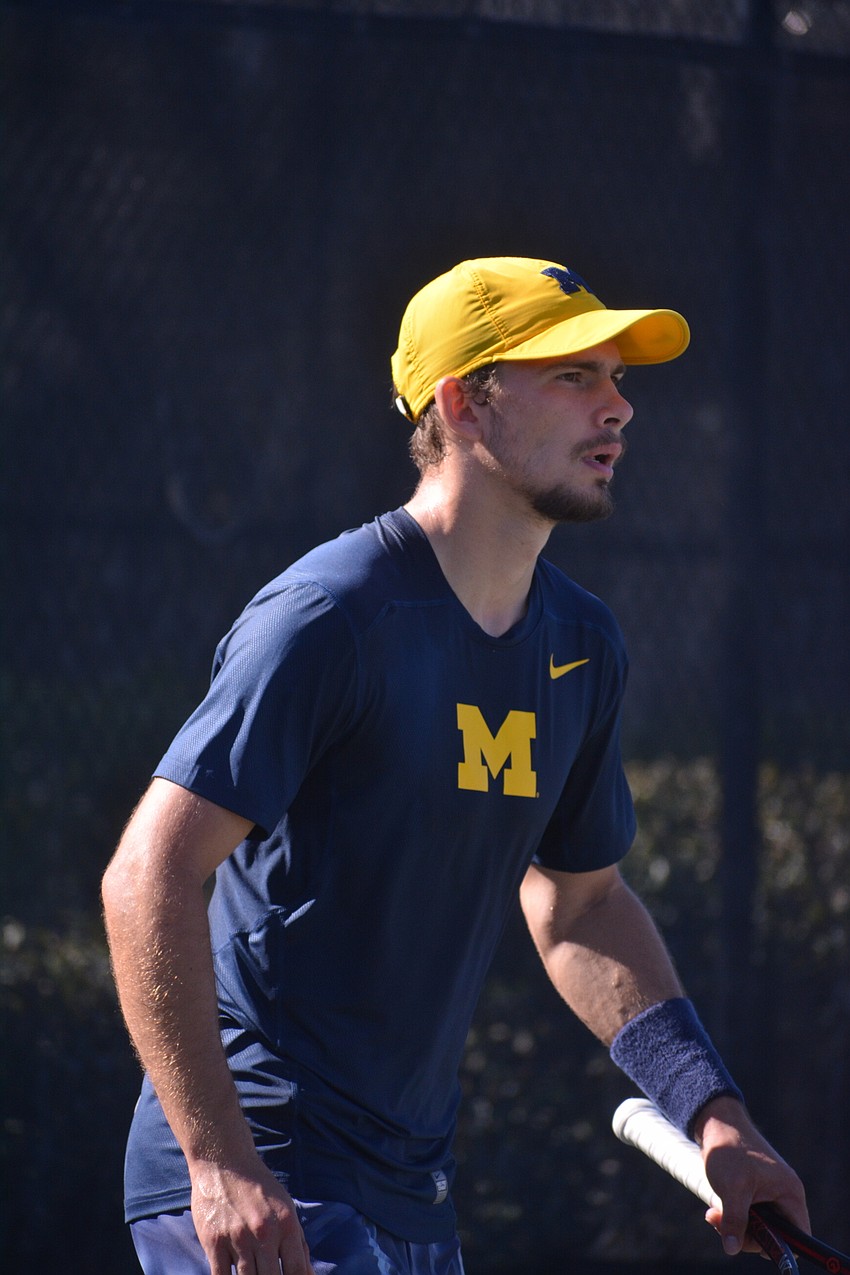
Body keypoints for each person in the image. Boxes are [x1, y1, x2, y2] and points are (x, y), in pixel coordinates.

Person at [102, 256, 808, 1275]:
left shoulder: (581, 645)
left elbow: (579, 909)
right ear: (463, 405)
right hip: (272, 1176)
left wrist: (713, 1112)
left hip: (412, 1193)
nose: (618, 409)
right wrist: (221, 1164)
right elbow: (147, 876)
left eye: (617, 379)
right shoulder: (328, 618)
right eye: (574, 376)